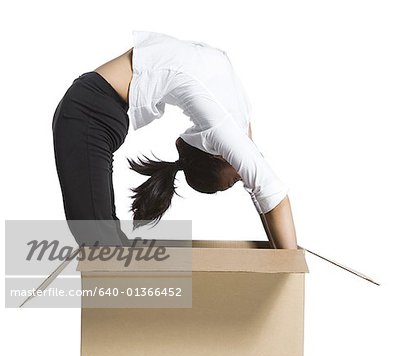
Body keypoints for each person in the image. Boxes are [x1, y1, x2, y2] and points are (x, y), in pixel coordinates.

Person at [52, 31, 297, 249]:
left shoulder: (232, 115)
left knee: (104, 243)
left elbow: (260, 194)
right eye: (234, 180)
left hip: (93, 110)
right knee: (100, 244)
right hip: (89, 111)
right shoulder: (222, 127)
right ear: (217, 154)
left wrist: (279, 254)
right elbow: (270, 194)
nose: (242, 177)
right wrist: (291, 264)